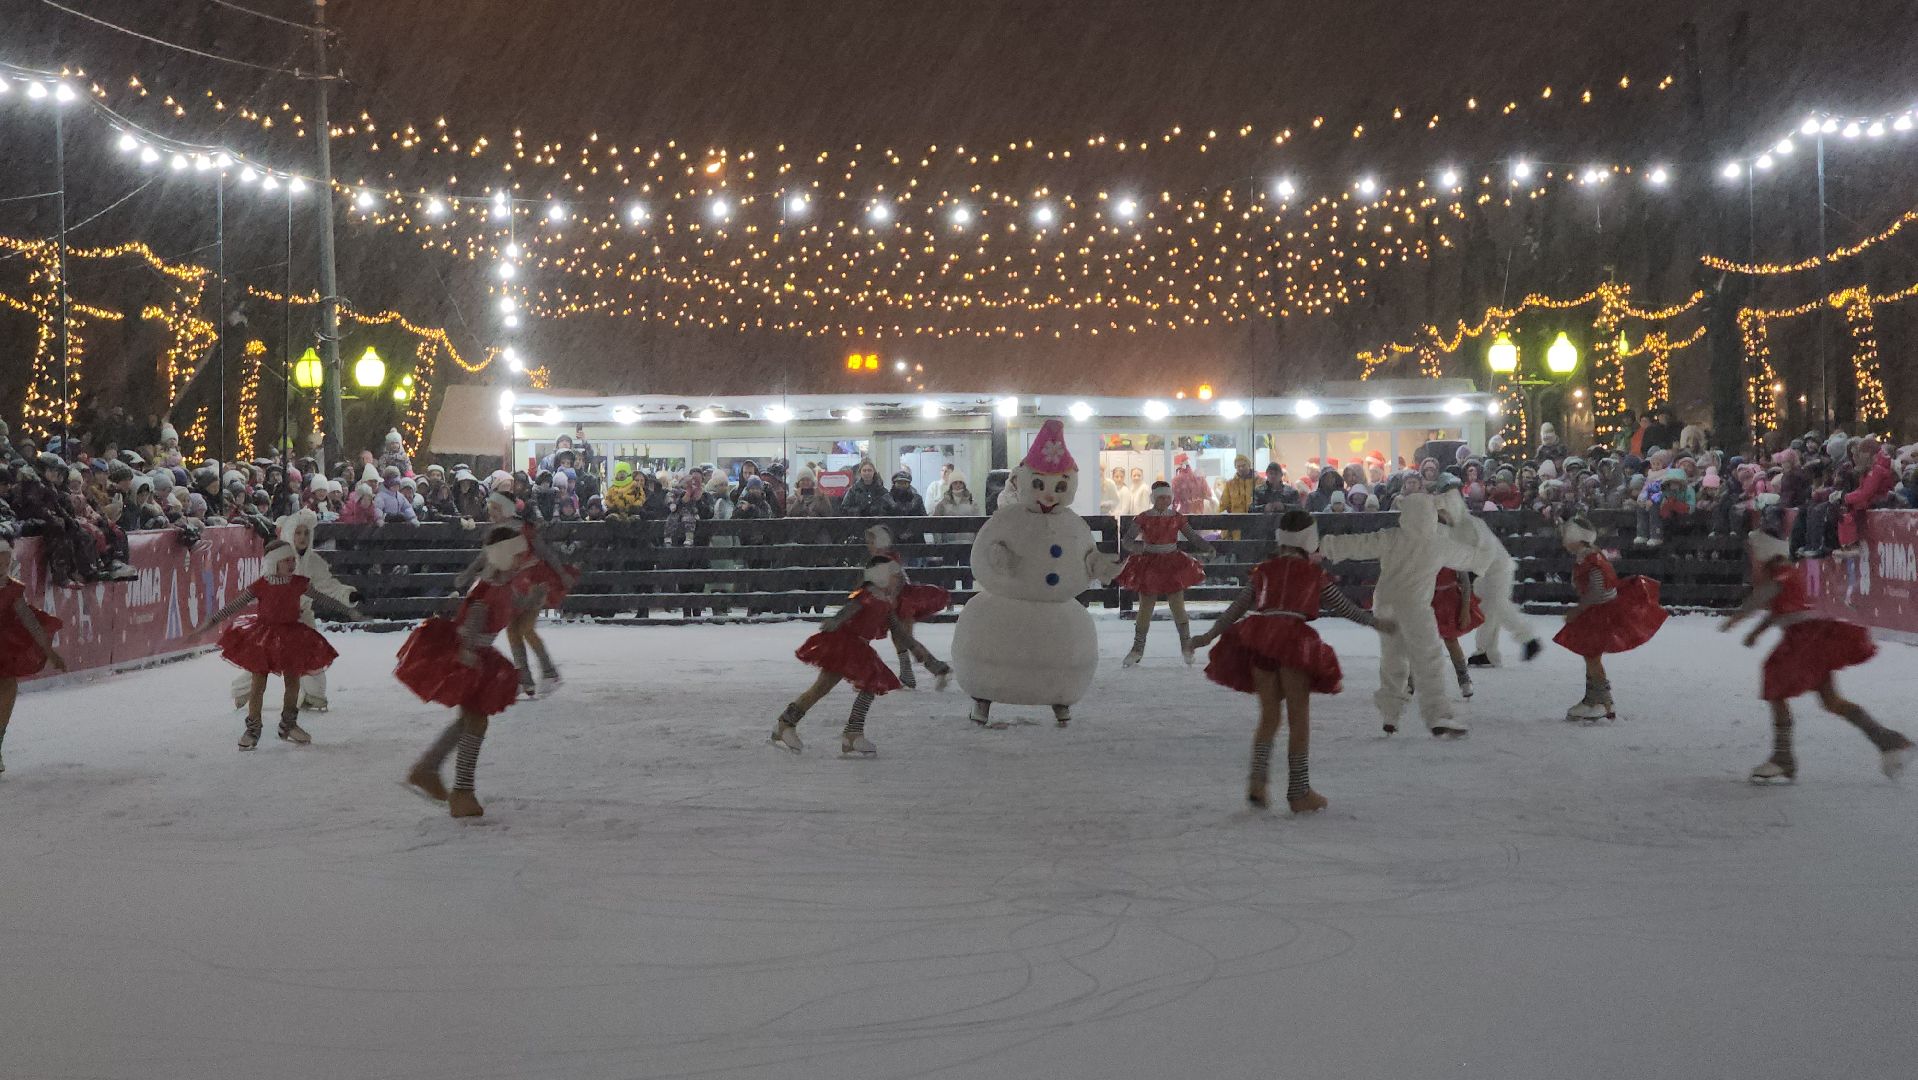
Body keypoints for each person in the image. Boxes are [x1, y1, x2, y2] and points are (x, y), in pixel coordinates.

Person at [1191, 511, 1394, 811]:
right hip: (1294, 643)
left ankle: (1257, 784)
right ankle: (1299, 791)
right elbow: (1344, 607)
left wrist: (1208, 636)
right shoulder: (1314, 575)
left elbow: (1237, 607)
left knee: (1269, 717)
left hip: (1259, 639)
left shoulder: (1263, 570)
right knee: (1299, 720)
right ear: (1309, 539)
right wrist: (1375, 622)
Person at [1722, 530, 1910, 781]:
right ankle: (1887, 739)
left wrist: (1737, 618)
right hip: (1812, 639)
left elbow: (1762, 597)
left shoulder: (1782, 575)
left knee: (1775, 684)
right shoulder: (1788, 574)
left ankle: (1782, 756)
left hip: (1804, 641)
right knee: (1832, 701)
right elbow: (1778, 610)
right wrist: (1757, 632)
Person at [1317, 493, 1476, 737]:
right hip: (1415, 607)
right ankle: (1438, 714)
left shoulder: (1392, 537)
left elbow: (1360, 544)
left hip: (1386, 603)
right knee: (1428, 657)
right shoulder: (1438, 543)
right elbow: (1469, 557)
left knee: (1393, 657)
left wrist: (1326, 547)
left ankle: (1390, 713)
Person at [398, 525, 527, 817]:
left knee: (469, 721)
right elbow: (475, 616)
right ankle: (461, 791)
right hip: (469, 655)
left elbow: (508, 609)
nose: (522, 560)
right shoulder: (488, 588)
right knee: (475, 721)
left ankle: (428, 769)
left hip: (478, 654)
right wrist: (467, 653)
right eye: (517, 555)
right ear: (504, 556)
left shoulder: (502, 584)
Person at [194, 539, 361, 749]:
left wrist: (347, 610)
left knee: (293, 682)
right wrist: (210, 622)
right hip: (264, 638)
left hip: (292, 637)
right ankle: (253, 727)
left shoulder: (299, 583)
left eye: (292, 560)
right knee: (258, 684)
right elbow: (235, 605)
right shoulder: (261, 585)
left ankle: (289, 723)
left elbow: (321, 598)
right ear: (274, 563)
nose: (291, 564)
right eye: (286, 560)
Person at [772, 557, 905, 756]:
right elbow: (851, 608)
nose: (897, 579)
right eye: (893, 574)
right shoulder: (867, 595)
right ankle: (785, 724)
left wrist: (929, 660)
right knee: (822, 688)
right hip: (845, 646)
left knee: (866, 685)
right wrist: (836, 620)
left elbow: (898, 630)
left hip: (859, 648)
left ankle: (852, 732)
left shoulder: (884, 600)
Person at [227, 511, 357, 714]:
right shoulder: (276, 561)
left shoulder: (313, 561)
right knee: (266, 659)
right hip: (277, 621)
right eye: (298, 533)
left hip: (302, 618)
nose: (303, 537)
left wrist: (348, 595)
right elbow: (267, 586)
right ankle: (242, 691)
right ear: (289, 534)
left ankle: (314, 695)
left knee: (311, 655)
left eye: (306, 533)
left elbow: (328, 585)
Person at [1553, 517, 1668, 722]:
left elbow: (1598, 590)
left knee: (1592, 655)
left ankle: (1602, 701)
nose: (1563, 541)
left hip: (1600, 612)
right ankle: (1593, 699)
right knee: (1590, 655)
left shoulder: (1591, 560)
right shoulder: (1587, 557)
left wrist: (1578, 610)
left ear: (1576, 539)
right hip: (1596, 610)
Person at [1113, 480, 1215, 666]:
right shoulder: (1143, 518)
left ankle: (1186, 645)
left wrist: (1206, 546)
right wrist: (1142, 548)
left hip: (1171, 564)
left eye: (1168, 497)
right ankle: (1137, 649)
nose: (1164, 501)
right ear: (1154, 498)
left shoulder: (1176, 517)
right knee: (1146, 607)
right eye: (1161, 497)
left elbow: (1191, 536)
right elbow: (1127, 540)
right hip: (1150, 564)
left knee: (1178, 606)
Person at [0, 536, 67, 774]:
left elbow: (29, 621)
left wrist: (50, 652)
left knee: (7, 686)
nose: (3, 563)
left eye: (6, 559)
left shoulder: (13, 589)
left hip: (5, 647)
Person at [865, 524, 952, 689]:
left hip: (901, 603)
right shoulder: (883, 559)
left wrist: (890, 597)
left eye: (871, 542)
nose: (869, 546)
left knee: (906, 640)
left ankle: (937, 668)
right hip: (895, 603)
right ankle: (909, 673)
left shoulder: (887, 559)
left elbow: (897, 580)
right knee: (901, 639)